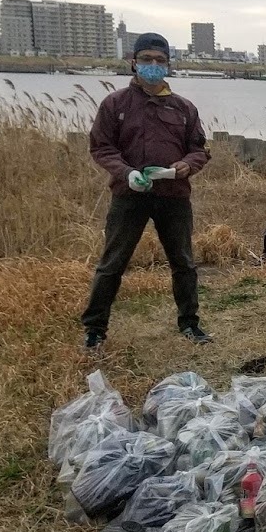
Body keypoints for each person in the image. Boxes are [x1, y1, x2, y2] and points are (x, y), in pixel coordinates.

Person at [80, 33, 212, 352]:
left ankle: (190, 323)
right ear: (134, 63)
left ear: (168, 65)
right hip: (129, 195)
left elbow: (200, 149)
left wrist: (186, 164)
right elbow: (101, 146)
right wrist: (127, 173)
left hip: (174, 196)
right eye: (147, 59)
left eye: (160, 60)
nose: (153, 65)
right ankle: (95, 330)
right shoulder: (115, 104)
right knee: (112, 263)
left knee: (183, 262)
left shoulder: (183, 108)